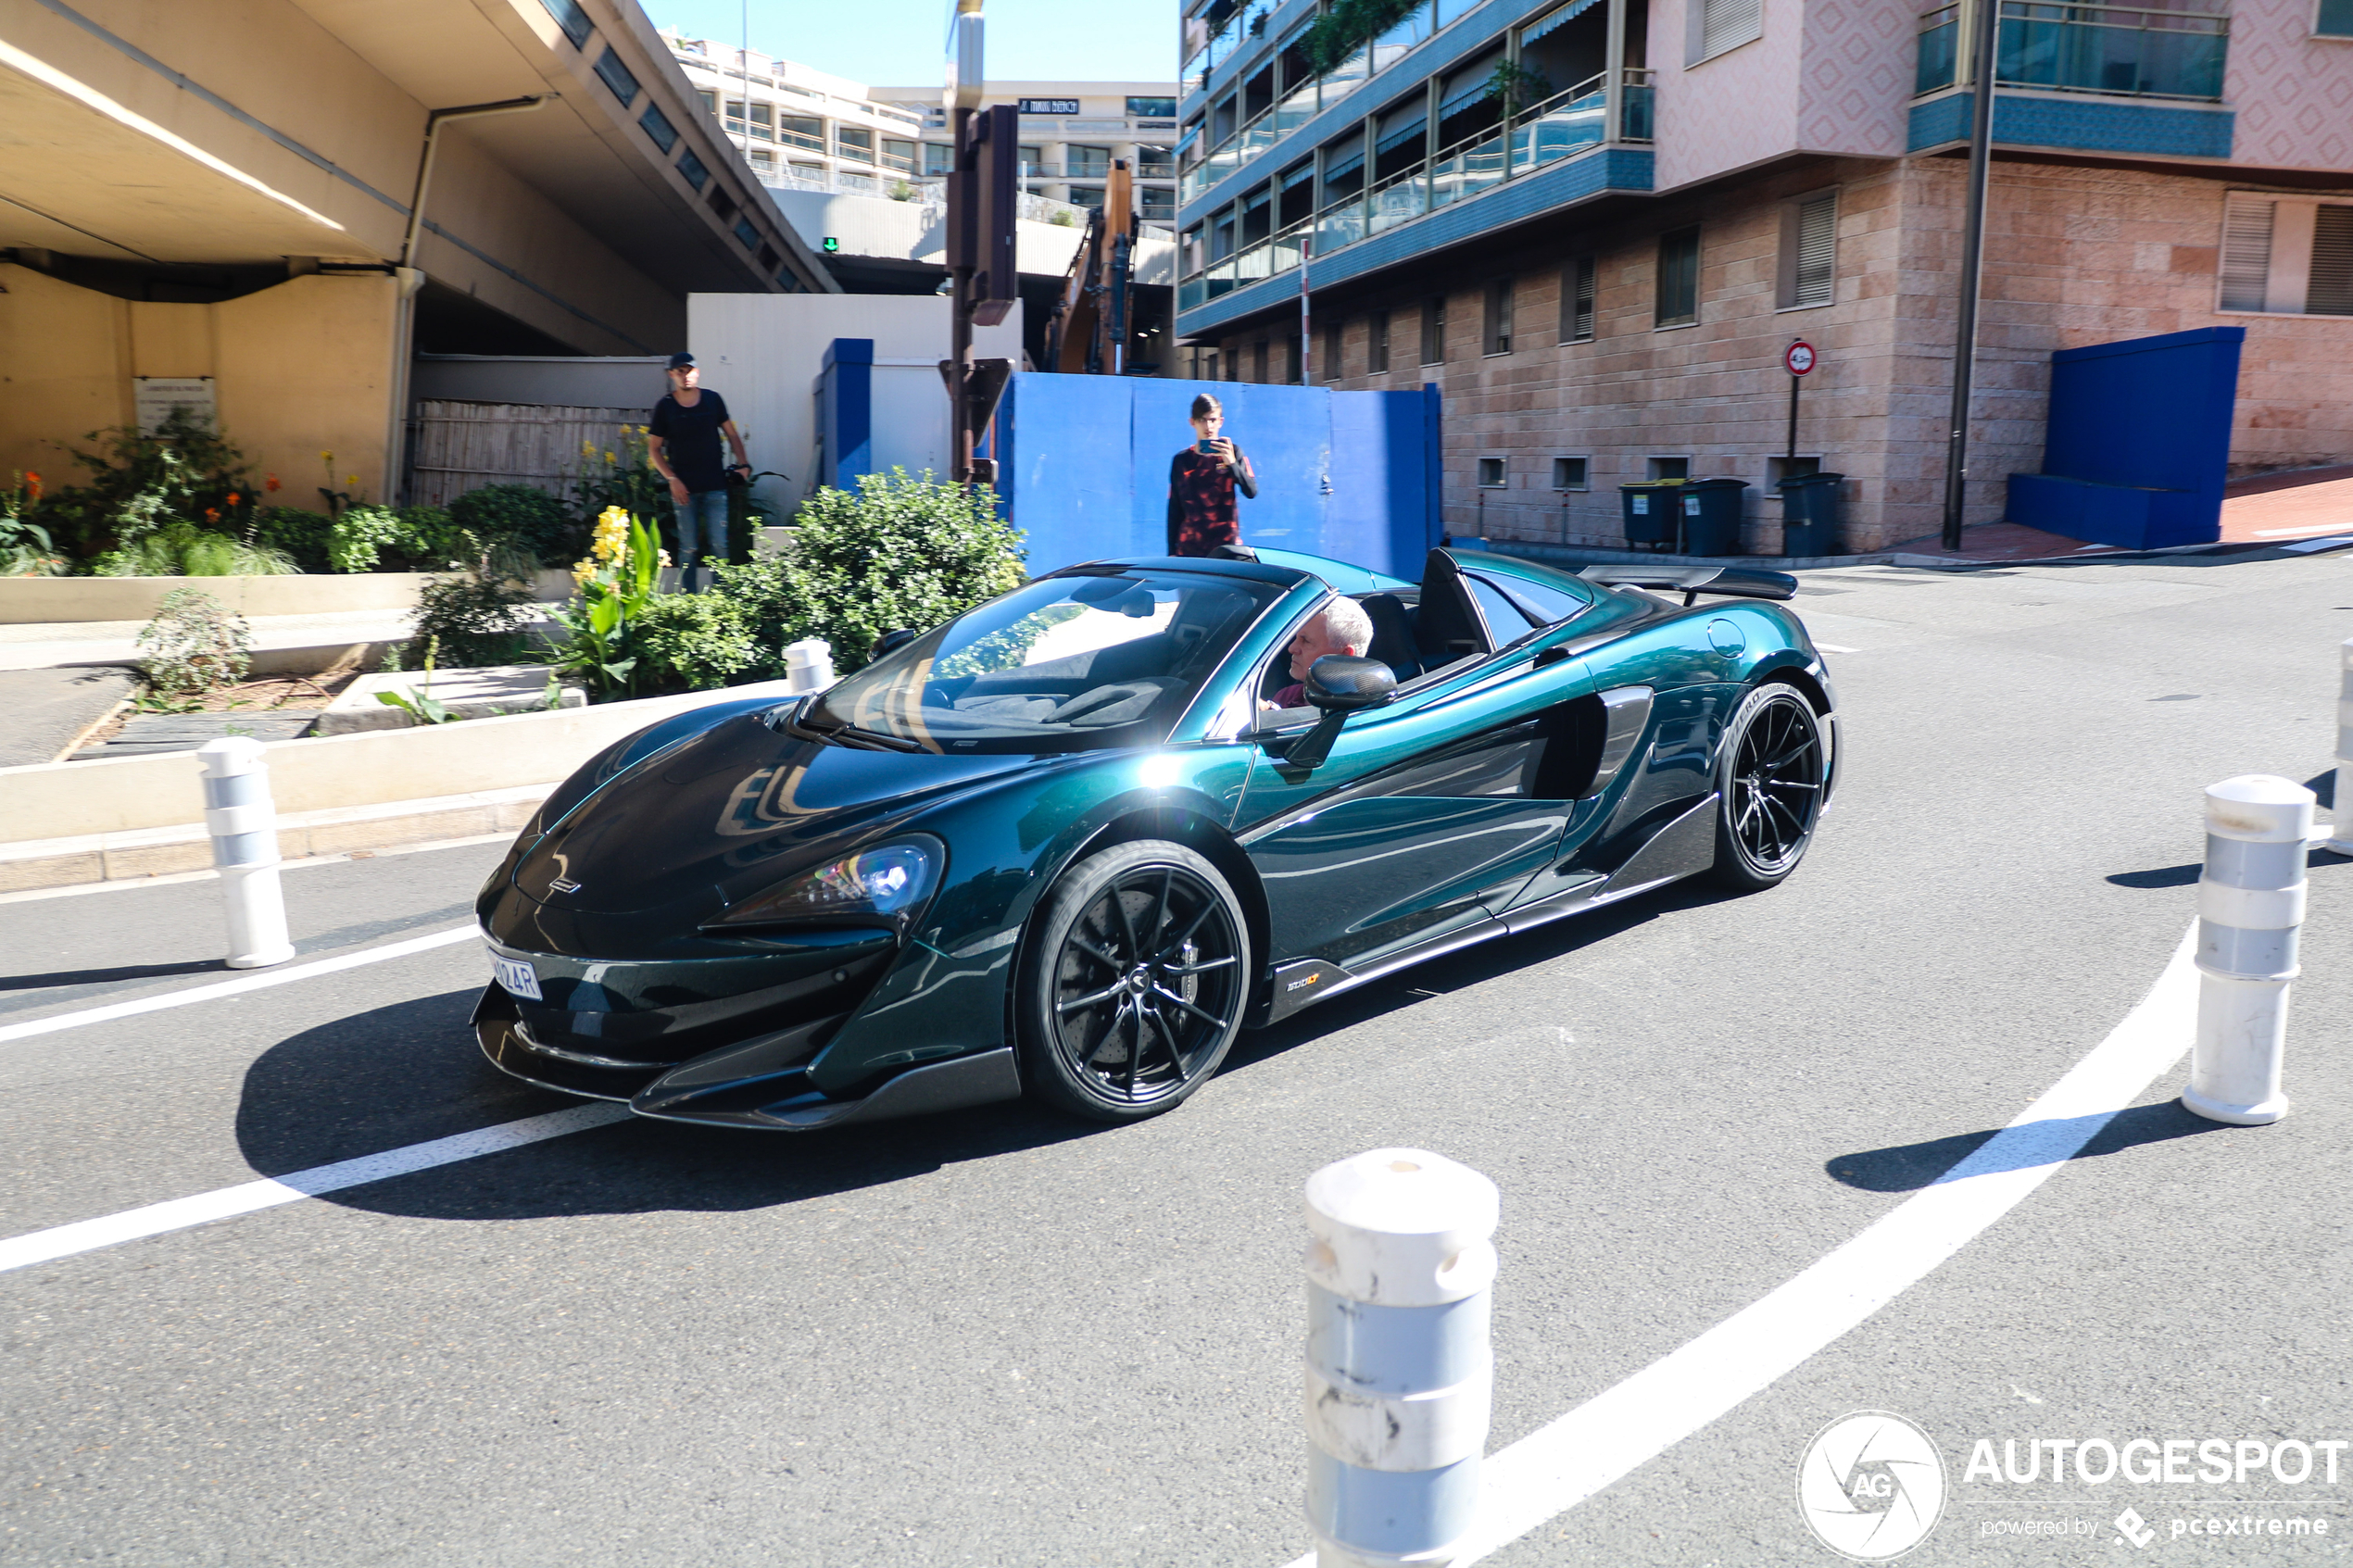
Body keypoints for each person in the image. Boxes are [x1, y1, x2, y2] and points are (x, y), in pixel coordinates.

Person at [648, 352, 749, 590]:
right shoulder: (665, 406)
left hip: (715, 486)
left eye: (689, 370)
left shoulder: (713, 400)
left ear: (697, 372)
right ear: (672, 374)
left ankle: (720, 602)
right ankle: (690, 603)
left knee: (719, 546)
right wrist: (672, 479)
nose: (685, 376)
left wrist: (744, 465)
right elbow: (654, 449)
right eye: (680, 371)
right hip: (683, 491)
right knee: (688, 548)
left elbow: (732, 434)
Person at [1165, 392, 1257, 557]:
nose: (1208, 427)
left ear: (1220, 422)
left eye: (1212, 420)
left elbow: (1251, 491)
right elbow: (1174, 509)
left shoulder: (1233, 452)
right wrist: (1171, 551)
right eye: (1202, 420)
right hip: (1190, 549)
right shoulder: (1181, 460)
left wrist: (1231, 463)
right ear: (1192, 422)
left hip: (1226, 547)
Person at [1263, 596, 1376, 711]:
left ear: (1344, 656)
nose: (1292, 649)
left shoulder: (1360, 712)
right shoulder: (1287, 696)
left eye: (1306, 641)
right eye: (1295, 638)